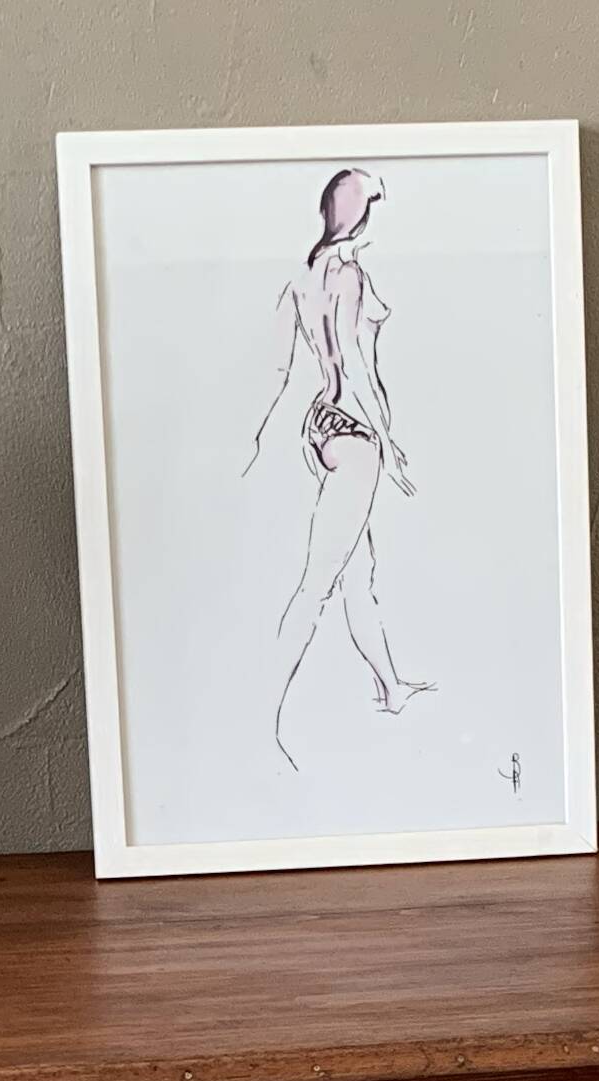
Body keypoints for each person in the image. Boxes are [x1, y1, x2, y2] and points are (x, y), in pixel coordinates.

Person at [245, 167, 431, 763]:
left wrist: (262, 439)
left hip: (320, 429)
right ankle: (260, 722)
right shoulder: (349, 273)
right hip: (355, 435)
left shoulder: (300, 276)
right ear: (362, 216)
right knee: (317, 585)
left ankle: (390, 686)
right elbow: (355, 364)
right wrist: (389, 438)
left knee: (357, 574)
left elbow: (277, 367)